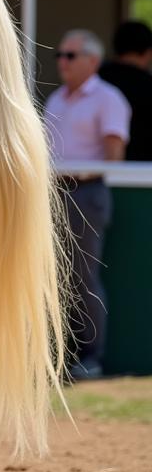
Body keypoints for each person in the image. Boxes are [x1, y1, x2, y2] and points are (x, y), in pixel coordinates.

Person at [43, 29, 130, 381]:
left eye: (70, 56)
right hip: (54, 193)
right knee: (54, 278)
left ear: (92, 61)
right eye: (60, 56)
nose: (62, 62)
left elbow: (114, 154)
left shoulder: (108, 98)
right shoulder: (57, 99)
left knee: (82, 277)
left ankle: (90, 357)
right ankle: (59, 356)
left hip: (87, 194)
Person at [99, 19, 152, 161]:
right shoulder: (148, 86)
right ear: (148, 52)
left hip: (94, 173)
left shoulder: (96, 81)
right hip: (143, 171)